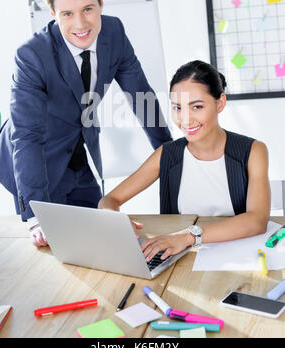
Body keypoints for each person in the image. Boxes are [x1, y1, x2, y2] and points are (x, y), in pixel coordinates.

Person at [0, 0, 172, 247]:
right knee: (57, 249)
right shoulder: (32, 56)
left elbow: (140, 96)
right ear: (53, 14)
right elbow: (27, 137)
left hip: (77, 152)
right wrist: (38, 215)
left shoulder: (113, 32)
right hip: (36, 161)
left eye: (88, 9)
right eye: (67, 14)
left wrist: (169, 153)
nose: (80, 24)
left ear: (100, 3)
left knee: (100, 237)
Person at [98, 60, 271, 262]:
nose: (185, 120)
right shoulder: (167, 154)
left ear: (220, 103)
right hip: (179, 259)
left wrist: (188, 237)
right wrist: (116, 220)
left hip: (238, 258)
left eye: (196, 106)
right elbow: (109, 200)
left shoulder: (252, 151)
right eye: (177, 108)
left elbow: (257, 220)